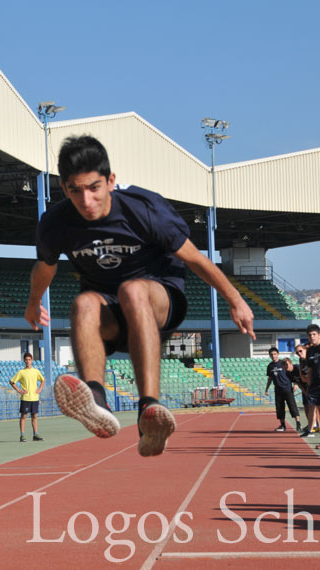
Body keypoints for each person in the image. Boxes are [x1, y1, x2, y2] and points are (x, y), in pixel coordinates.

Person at [24, 135, 255, 457]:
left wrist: (236, 300)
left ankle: (149, 405)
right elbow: (45, 267)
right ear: (64, 188)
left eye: (94, 188)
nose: (86, 201)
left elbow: (195, 259)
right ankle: (95, 399)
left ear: (111, 181)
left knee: (131, 289)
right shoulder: (56, 223)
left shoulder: (143, 209)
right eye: (75, 191)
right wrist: (33, 304)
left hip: (159, 297)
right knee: (83, 302)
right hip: (110, 312)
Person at [264, 347, 301, 432]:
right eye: (271, 354)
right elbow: (270, 378)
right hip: (278, 390)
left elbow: (292, 373)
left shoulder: (283, 363)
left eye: (274, 354)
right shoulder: (270, 366)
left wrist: (295, 384)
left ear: (278, 354)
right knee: (280, 409)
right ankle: (283, 425)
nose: (273, 356)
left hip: (288, 389)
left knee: (292, 407)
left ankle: (298, 424)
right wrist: (266, 389)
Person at [10, 353, 45, 442]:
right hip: (25, 398)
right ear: (24, 361)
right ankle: (22, 435)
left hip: (35, 398)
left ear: (32, 360)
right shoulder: (21, 372)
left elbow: (42, 380)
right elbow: (12, 381)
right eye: (26, 359)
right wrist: (19, 390)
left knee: (34, 416)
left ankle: (35, 434)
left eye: (29, 359)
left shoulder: (36, 371)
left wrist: (40, 389)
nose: (28, 361)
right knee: (24, 416)